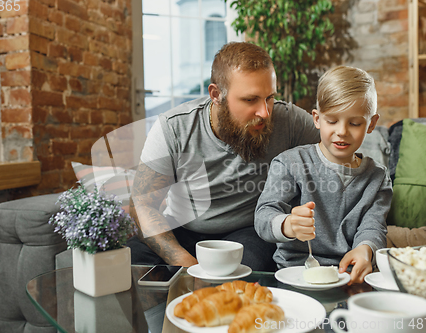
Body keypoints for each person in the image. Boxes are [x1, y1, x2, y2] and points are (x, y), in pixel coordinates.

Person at [127, 42, 320, 272]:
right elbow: (142, 204)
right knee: (132, 258)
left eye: (269, 97)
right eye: (250, 100)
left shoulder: (289, 121)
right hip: (184, 230)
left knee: (239, 271)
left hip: (247, 232)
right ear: (216, 94)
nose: (265, 113)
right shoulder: (173, 128)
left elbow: (339, 144)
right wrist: (185, 264)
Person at [254, 65, 393, 283]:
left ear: (371, 124)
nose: (342, 131)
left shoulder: (378, 177)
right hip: (295, 274)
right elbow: (263, 216)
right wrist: (287, 224)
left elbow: (373, 226)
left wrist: (366, 250)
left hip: (349, 276)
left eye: (355, 123)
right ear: (317, 119)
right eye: (332, 121)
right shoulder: (290, 163)